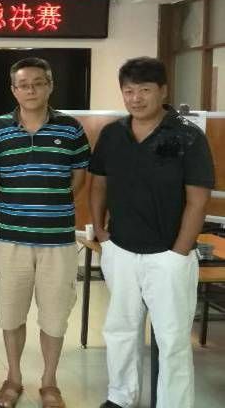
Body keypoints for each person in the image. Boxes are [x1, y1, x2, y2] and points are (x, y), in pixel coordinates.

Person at [89, 57, 214, 408]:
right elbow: (98, 185)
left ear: (163, 91)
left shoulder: (187, 136)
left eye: (144, 90)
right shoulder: (113, 134)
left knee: (172, 339)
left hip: (169, 255)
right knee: (121, 330)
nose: (136, 98)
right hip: (121, 249)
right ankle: (121, 396)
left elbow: (198, 200)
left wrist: (178, 253)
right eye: (129, 91)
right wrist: (102, 234)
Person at [0, 57, 90, 408]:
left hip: (57, 242)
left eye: (38, 83)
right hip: (11, 240)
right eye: (23, 85)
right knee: (10, 314)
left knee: (55, 317)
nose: (31, 90)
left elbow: (79, 177)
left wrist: (50, 201)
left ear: (50, 85)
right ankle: (13, 379)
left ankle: (49, 383)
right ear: (14, 90)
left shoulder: (70, 128)